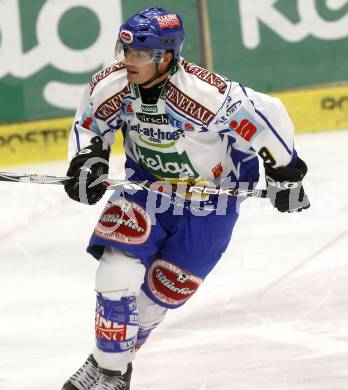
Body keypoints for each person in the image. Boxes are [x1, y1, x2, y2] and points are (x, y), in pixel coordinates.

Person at [62, 7, 310, 390]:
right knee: (116, 271)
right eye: (125, 51)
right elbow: (89, 123)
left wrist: (284, 171)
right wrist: (87, 158)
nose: (128, 61)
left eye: (139, 55)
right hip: (146, 190)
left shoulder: (206, 96)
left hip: (210, 204)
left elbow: (269, 115)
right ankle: (113, 376)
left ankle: (103, 361)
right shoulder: (112, 84)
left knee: (158, 295)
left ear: (166, 57)